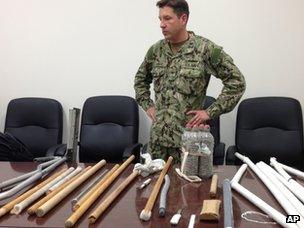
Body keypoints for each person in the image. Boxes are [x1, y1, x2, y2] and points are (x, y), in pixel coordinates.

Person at [134, 0, 246, 163]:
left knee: (191, 186)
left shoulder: (205, 50)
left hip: (189, 141)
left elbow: (237, 82)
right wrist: (148, 105)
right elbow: (140, 80)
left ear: (183, 18)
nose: (162, 25)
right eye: (160, 19)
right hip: (158, 142)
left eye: (167, 18)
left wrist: (209, 112)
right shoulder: (156, 51)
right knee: (156, 186)